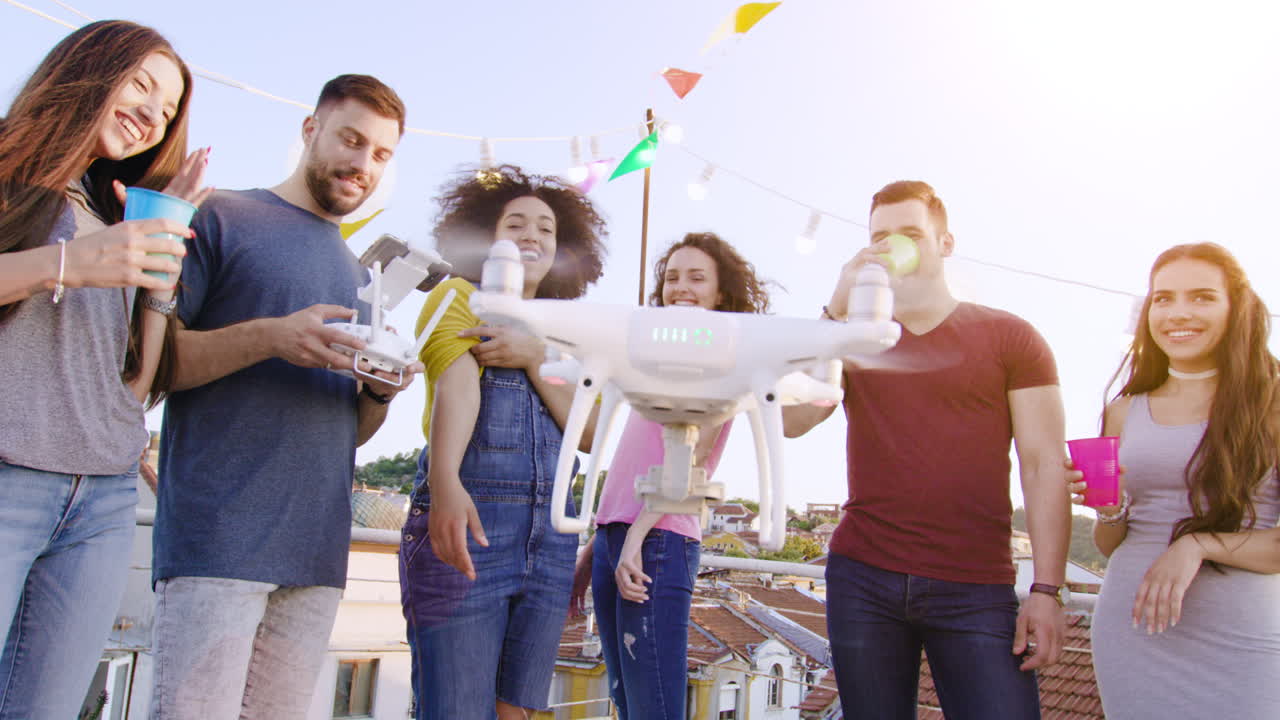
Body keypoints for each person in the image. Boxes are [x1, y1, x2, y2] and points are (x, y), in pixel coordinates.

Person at [150, 74, 414, 719]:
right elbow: (156, 367)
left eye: (380, 154)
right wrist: (271, 337)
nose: (362, 163)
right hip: (216, 544)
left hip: (317, 557)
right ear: (310, 130)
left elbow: (345, 433)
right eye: (351, 140)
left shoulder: (361, 277)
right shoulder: (219, 215)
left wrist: (380, 392)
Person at [783, 180, 1071, 719]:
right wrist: (834, 311)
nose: (894, 247)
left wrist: (1047, 590)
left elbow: (1043, 464)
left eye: (911, 233)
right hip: (863, 578)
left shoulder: (1013, 338)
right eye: (880, 237)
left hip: (976, 584)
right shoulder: (852, 339)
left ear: (945, 242)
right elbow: (791, 419)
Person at [0, 20, 207, 720]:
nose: (153, 114)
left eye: (168, 108)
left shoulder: (109, 208)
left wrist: (158, 282)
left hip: (103, 497)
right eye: (141, 85)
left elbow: (136, 386)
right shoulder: (7, 169)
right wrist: (69, 264)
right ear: (87, 67)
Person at [398, 164, 608, 720]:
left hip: (554, 540)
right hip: (470, 522)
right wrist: (445, 482)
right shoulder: (456, 296)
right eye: (515, 222)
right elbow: (456, 386)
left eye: (545, 227)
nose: (531, 234)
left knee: (518, 712)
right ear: (485, 237)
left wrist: (536, 357)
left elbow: (591, 432)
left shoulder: (571, 333)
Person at [1069, 242, 1280, 718]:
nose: (1178, 312)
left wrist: (1198, 545)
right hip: (1133, 628)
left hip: (1245, 635)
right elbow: (1109, 543)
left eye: (1202, 296)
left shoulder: (1274, 401)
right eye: (1163, 299)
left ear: (1237, 307)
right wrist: (1108, 507)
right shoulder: (1122, 410)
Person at [568, 232, 771, 720]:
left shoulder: (721, 361)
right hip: (618, 539)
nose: (680, 287)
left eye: (697, 277)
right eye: (672, 277)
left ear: (721, 292)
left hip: (658, 540)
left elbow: (690, 464)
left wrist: (634, 540)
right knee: (625, 697)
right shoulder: (658, 364)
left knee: (652, 705)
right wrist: (598, 547)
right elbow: (631, 471)